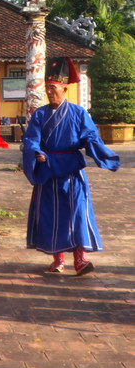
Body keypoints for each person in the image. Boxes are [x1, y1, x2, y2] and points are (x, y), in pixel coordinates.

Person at [22, 56, 119, 275]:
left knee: (77, 214)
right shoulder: (40, 114)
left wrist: (101, 152)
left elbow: (91, 137)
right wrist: (36, 152)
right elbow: (31, 139)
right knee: (51, 215)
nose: (49, 92)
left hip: (71, 173)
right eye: (47, 87)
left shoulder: (78, 113)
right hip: (48, 171)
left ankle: (81, 259)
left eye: (53, 87)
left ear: (65, 88)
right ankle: (58, 260)